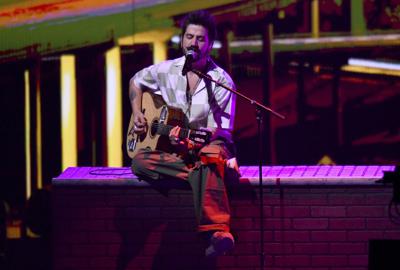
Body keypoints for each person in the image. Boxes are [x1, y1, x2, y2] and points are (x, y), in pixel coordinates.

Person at [129, 10, 239, 257]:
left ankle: (218, 232)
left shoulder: (222, 81)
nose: (193, 43)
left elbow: (219, 129)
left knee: (209, 154)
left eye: (200, 39)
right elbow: (136, 81)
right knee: (140, 162)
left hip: (211, 142)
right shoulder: (166, 70)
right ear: (182, 39)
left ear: (210, 43)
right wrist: (137, 112)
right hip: (176, 149)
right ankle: (208, 172)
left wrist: (190, 140)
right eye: (189, 37)